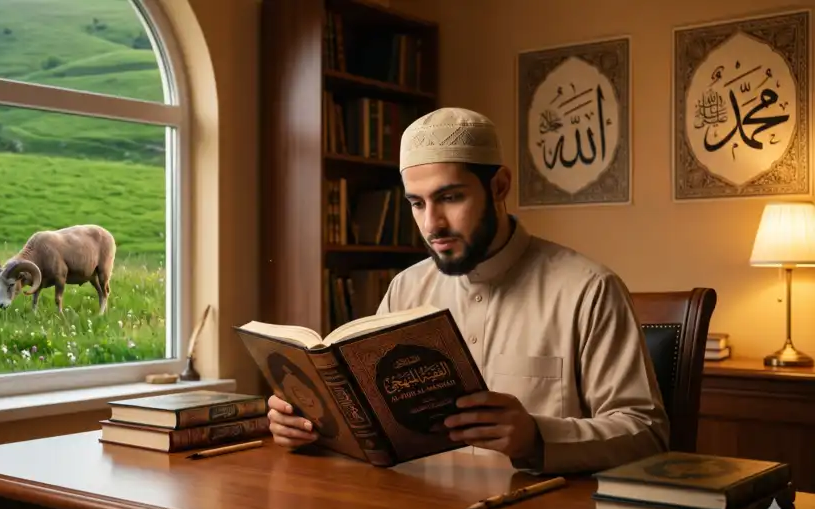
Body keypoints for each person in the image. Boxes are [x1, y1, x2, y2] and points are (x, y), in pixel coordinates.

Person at [265, 107, 669, 474]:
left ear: (499, 186)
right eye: (417, 204)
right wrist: (310, 425)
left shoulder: (588, 290)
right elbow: (373, 424)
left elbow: (646, 432)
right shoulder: (406, 289)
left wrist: (536, 436)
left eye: (450, 197)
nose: (431, 224)